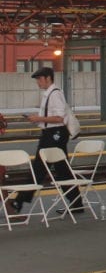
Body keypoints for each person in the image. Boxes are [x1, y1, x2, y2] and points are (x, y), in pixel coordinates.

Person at [11, 66, 82, 215]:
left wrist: (38, 118)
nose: (38, 82)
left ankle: (19, 201)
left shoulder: (55, 94)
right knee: (62, 170)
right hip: (53, 134)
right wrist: (37, 119)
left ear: (48, 78)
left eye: (39, 79)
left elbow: (59, 118)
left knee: (39, 167)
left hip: (54, 135)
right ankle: (77, 203)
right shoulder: (49, 94)